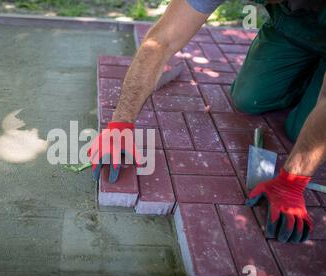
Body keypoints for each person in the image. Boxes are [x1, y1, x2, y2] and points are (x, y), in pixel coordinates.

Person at [88, 0, 326, 243]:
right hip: (290, 30)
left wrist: (293, 181)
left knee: (299, 132)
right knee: (248, 99)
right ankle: (307, 74)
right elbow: (160, 42)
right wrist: (121, 123)